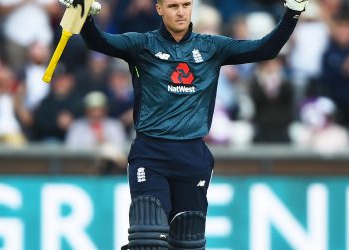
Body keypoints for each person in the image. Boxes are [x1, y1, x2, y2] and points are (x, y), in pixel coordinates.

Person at [59, 0, 309, 249]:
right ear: (159, 9)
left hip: (193, 157)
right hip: (151, 154)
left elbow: (266, 49)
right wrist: (85, 16)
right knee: (148, 238)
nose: (180, 12)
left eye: (186, 5)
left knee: (188, 243)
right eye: (173, 6)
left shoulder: (211, 46)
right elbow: (99, 42)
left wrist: (292, 13)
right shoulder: (142, 44)